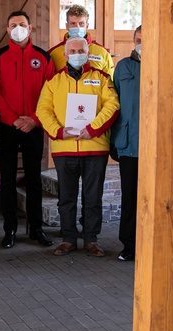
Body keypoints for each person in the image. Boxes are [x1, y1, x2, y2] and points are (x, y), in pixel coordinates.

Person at [37, 37, 119, 256]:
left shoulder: (101, 78)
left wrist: (92, 129)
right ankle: (68, 239)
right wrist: (58, 130)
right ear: (65, 55)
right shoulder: (54, 81)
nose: (76, 54)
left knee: (93, 197)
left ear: (87, 52)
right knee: (66, 198)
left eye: (80, 50)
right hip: (64, 147)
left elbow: (113, 105)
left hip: (95, 147)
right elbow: (43, 110)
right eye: (72, 51)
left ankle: (91, 240)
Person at [0, 10, 55, 249]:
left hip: (34, 127)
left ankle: (36, 229)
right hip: (8, 126)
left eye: (22, 24)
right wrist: (13, 119)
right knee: (7, 179)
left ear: (30, 27)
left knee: (34, 179)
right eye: (13, 24)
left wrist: (35, 120)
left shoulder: (44, 58)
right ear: (7, 29)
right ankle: (10, 230)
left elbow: (50, 93)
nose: (18, 28)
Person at [110, 26, 142, 262]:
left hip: (155, 147)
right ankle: (129, 245)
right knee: (129, 197)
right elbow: (114, 104)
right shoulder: (122, 67)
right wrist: (114, 140)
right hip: (128, 143)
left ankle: (152, 243)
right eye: (138, 39)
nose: (141, 43)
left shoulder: (163, 65)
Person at [48, 5, 114, 79]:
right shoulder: (53, 53)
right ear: (67, 26)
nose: (78, 27)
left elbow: (110, 82)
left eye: (81, 23)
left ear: (87, 26)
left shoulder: (102, 52)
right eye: (73, 23)